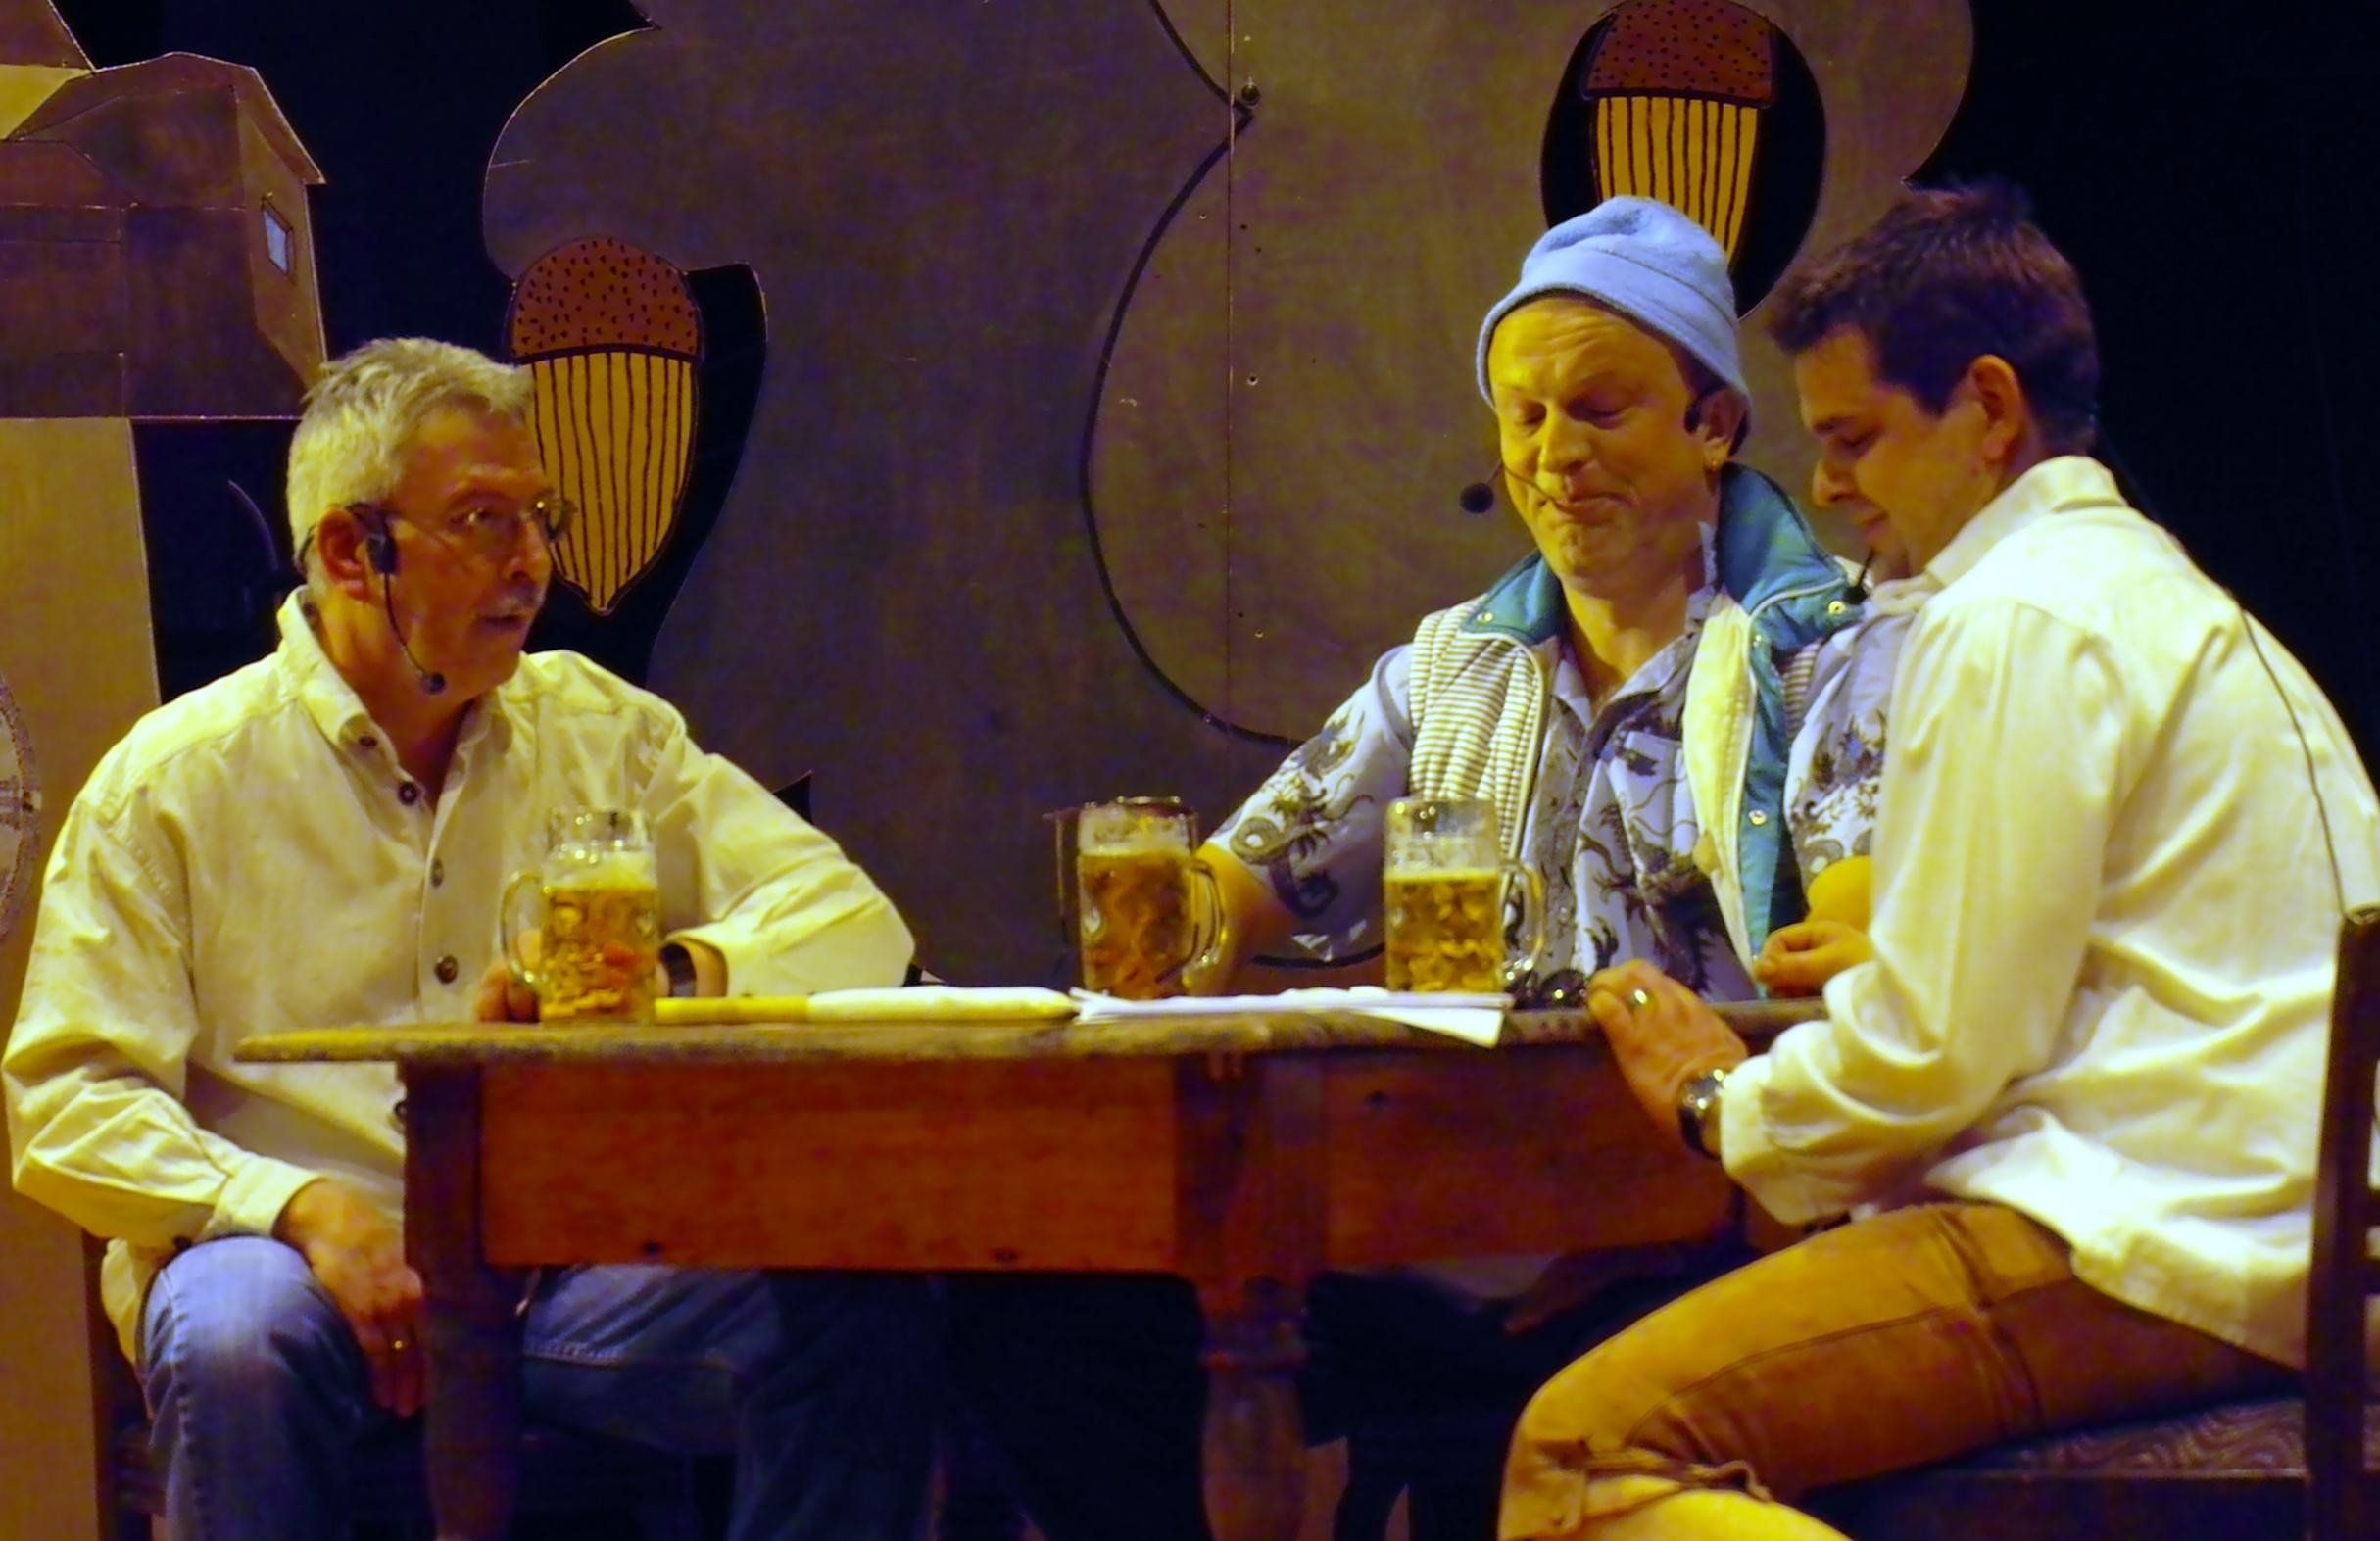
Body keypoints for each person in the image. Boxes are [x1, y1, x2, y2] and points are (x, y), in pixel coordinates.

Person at [1502, 182, 2380, 1540]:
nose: (1826, 488)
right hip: (2282, 1239)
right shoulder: (2164, 599)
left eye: (1852, 439)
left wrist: (1717, 1101)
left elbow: (1933, 1056)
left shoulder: (2012, 617)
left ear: (1985, 407)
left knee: (1582, 1453)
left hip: (2148, 1245)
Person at [4, 338, 936, 1540]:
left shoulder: (604, 732)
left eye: (540, 518)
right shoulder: (175, 779)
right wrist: (292, 1205)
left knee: (856, 1301)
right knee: (231, 1333)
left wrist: (661, 974)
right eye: (484, 520)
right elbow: (68, 1102)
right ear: (353, 551)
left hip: (565, 1273)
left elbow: (854, 922)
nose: (533, 561)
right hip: (291, 1270)